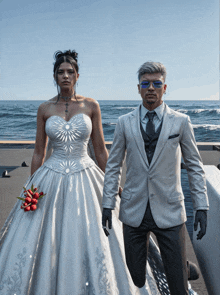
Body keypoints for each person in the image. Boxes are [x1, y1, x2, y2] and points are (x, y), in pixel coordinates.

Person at [0, 51, 166, 294]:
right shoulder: (44, 108)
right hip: (50, 177)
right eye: (60, 72)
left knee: (98, 235)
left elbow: (100, 151)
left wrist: (115, 184)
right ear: (55, 76)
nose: (65, 76)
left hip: (86, 175)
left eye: (70, 71)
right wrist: (31, 187)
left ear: (77, 75)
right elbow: (38, 152)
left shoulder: (91, 105)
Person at [102, 61, 209, 295]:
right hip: (134, 210)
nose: (151, 87)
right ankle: (175, 262)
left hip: (170, 209)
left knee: (177, 284)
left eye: (156, 83)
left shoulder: (181, 121)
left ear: (165, 87)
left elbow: (194, 165)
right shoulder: (124, 123)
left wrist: (201, 206)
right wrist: (107, 204)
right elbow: (113, 166)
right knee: (136, 275)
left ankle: (179, 265)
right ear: (138, 88)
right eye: (146, 83)